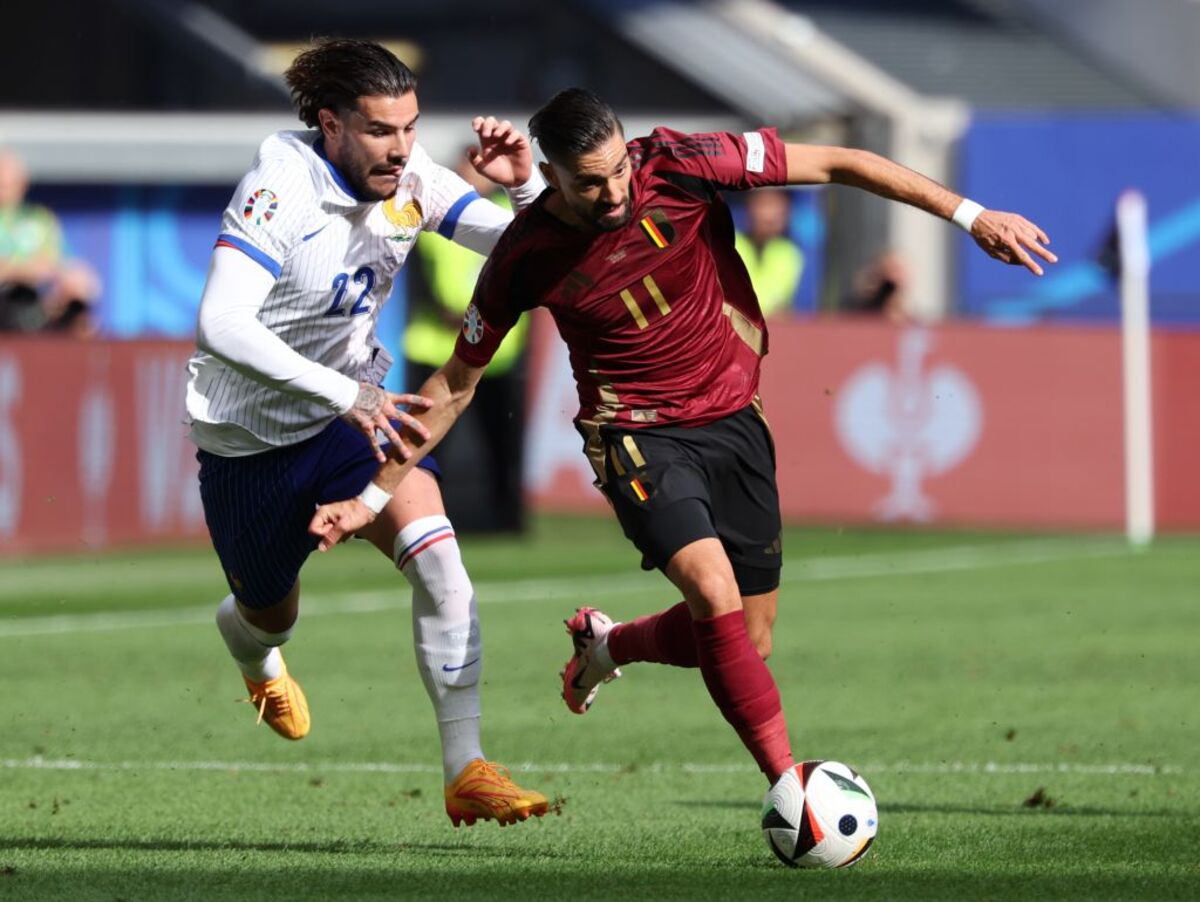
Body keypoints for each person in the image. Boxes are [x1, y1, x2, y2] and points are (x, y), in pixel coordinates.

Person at [308, 88, 1056, 789]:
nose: (613, 195)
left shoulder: (682, 163)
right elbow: (453, 386)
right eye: (589, 185)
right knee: (711, 588)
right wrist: (371, 494)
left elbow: (841, 162)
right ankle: (791, 789)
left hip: (734, 419)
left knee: (744, 640)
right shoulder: (524, 256)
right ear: (553, 180)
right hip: (634, 434)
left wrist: (971, 215)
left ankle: (608, 646)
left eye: (617, 172)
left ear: (629, 151)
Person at [184, 38, 550, 827]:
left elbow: (527, 250)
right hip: (248, 445)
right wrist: (345, 391)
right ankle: (250, 648)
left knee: (442, 562)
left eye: (411, 127)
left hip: (352, 420)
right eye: (382, 131)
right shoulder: (277, 189)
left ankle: (467, 768)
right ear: (332, 125)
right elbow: (220, 323)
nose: (401, 149)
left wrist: (528, 189)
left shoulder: (411, 180)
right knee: (266, 614)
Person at [404, 151, 529, 531]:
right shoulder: (434, 219)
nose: (473, 177)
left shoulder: (506, 218)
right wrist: (460, 315)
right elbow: (419, 285)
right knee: (428, 442)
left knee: (501, 446)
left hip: (497, 355)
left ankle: (507, 523)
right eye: (466, 171)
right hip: (438, 352)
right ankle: (421, 517)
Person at [0, 149, 101, 337]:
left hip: (35, 300)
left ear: (22, 183)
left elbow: (56, 263)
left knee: (79, 291)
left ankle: (83, 362)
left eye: (8, 184)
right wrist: (22, 270)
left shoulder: (39, 219)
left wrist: (71, 279)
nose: (4, 188)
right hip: (5, 298)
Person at [734, 188, 803, 318]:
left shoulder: (790, 253)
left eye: (780, 207)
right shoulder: (728, 243)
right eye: (766, 204)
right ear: (750, 206)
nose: (771, 216)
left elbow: (784, 308)